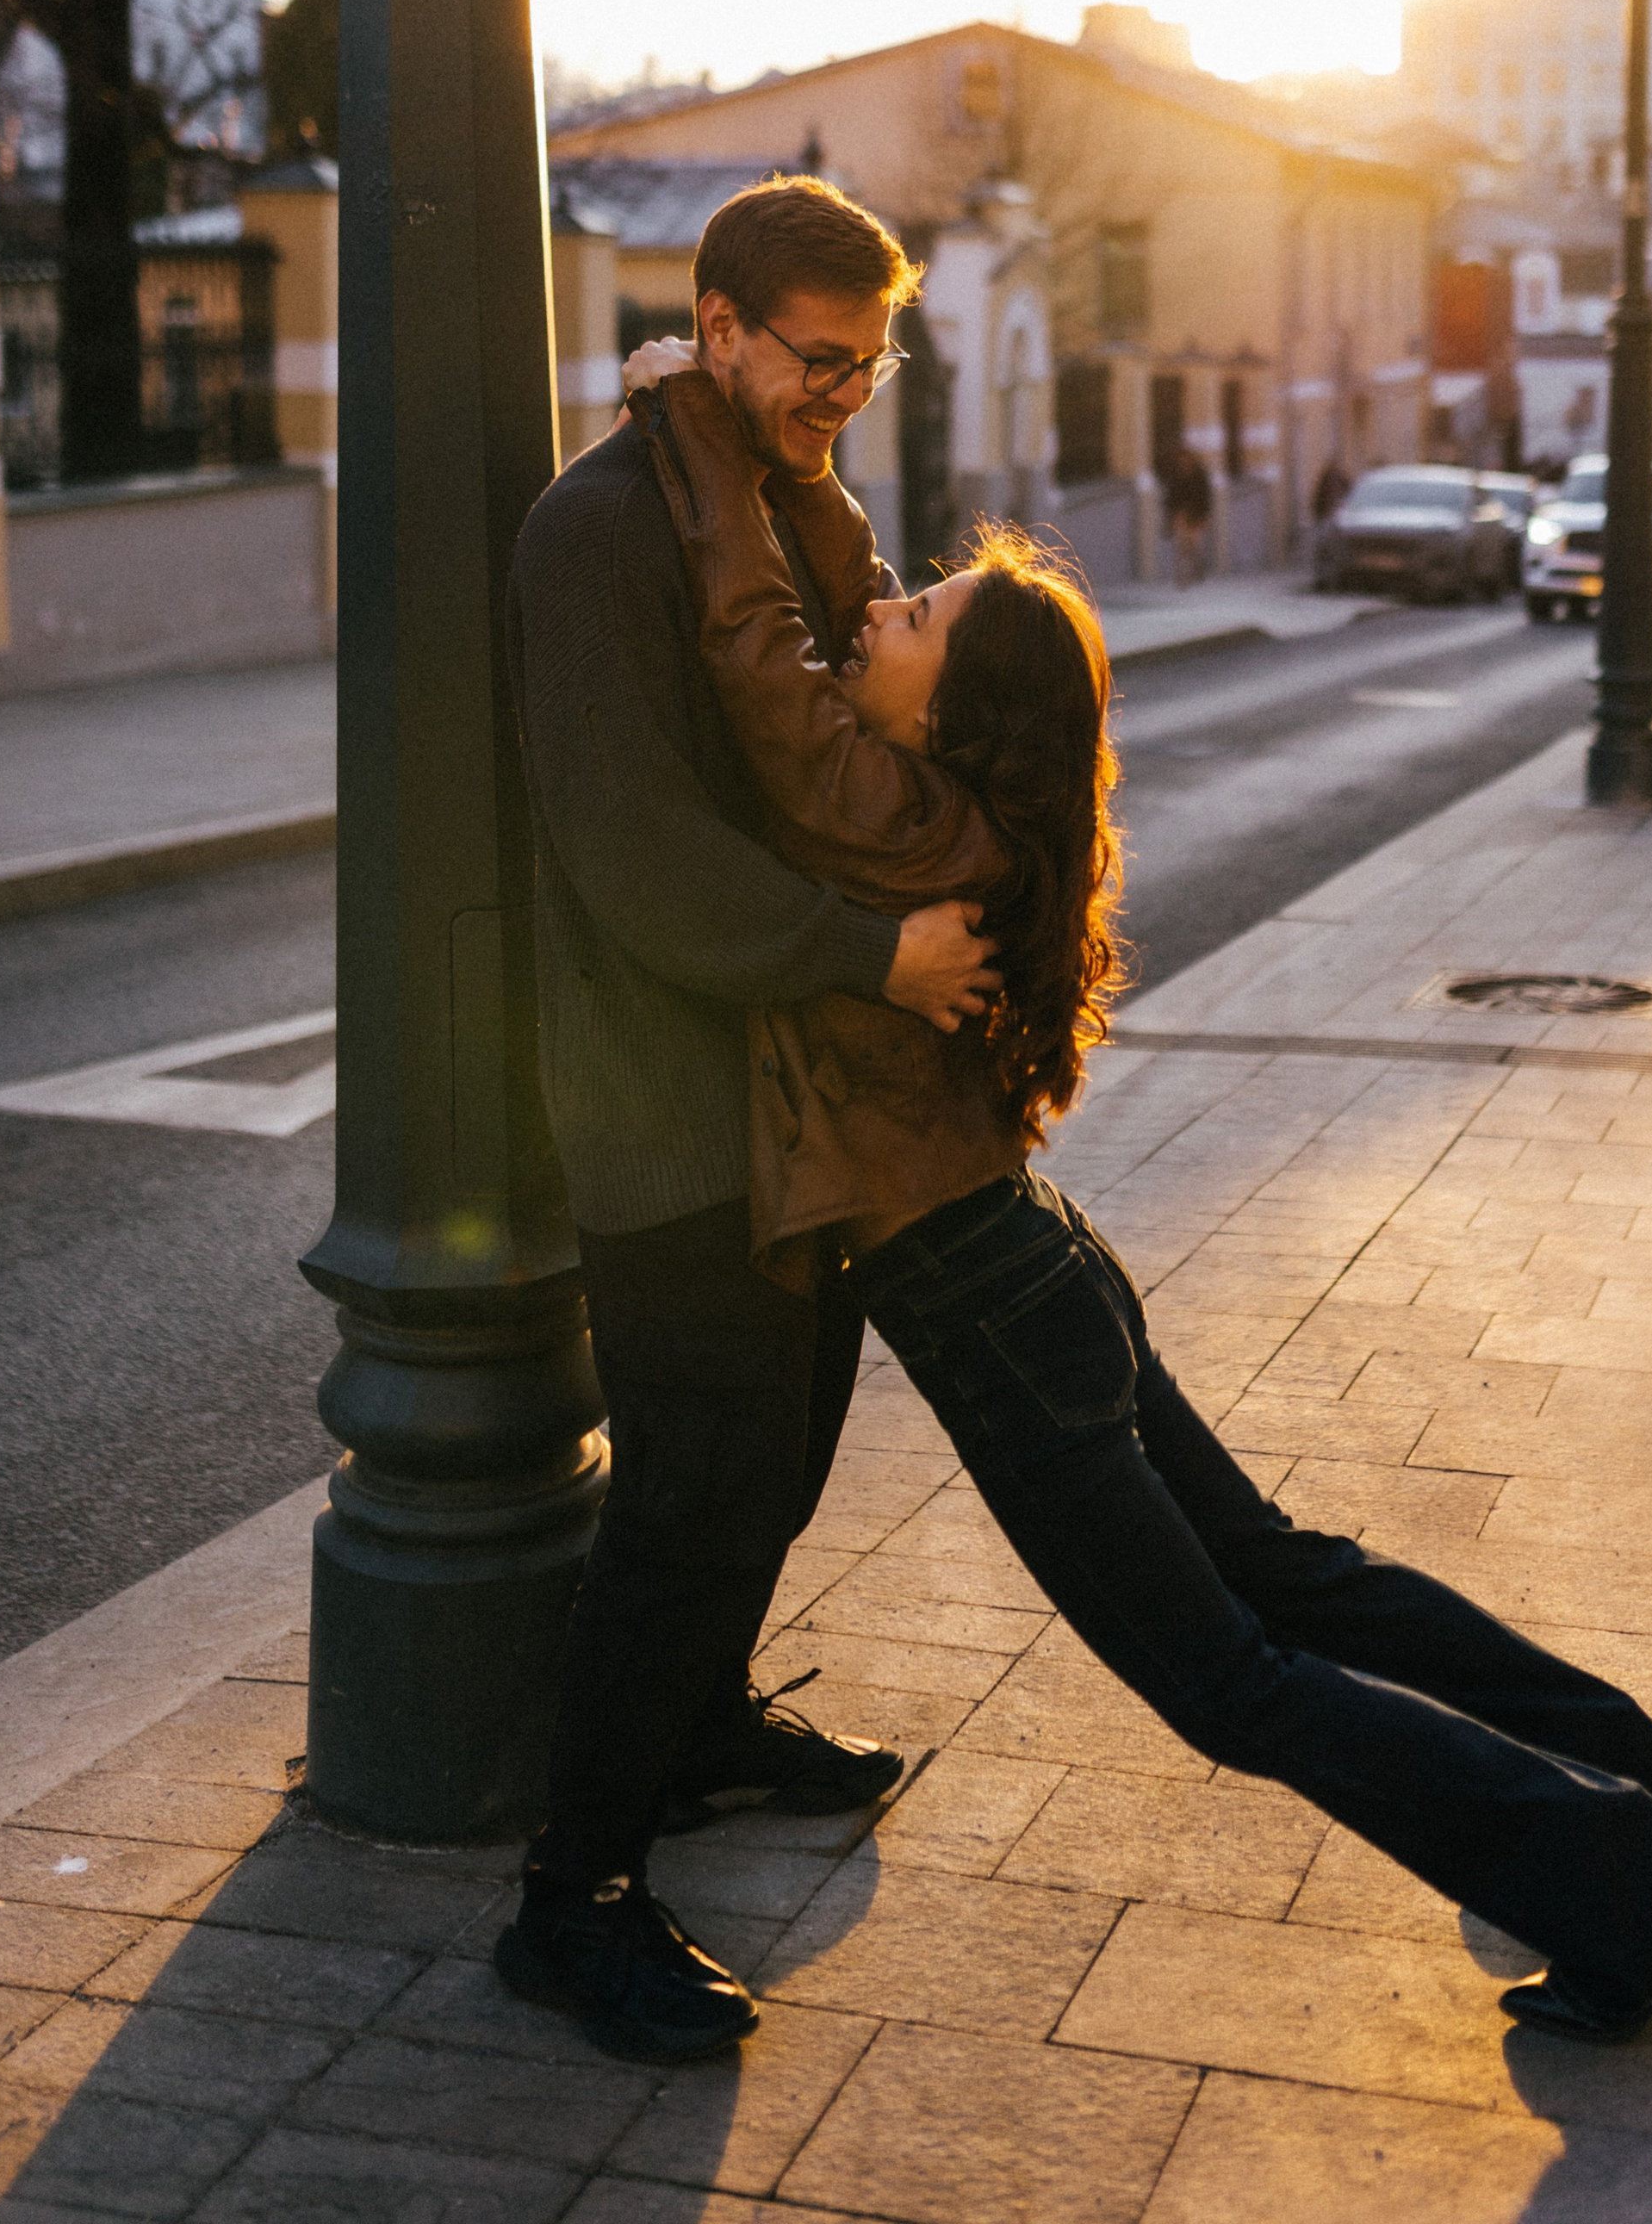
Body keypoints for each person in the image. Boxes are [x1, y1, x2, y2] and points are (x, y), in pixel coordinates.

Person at [573, 352, 1652, 2060]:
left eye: (913, 619)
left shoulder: (886, 814)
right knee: (1295, 1578)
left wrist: (701, 421)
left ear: (937, 712)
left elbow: (764, 656)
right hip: (1041, 1263)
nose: (875, 615)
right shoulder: (955, 815)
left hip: (991, 1302)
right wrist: (792, 456)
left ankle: (1632, 1888)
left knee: (1228, 1681)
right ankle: (1623, 1762)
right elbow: (823, 610)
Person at [497, 178, 1003, 2065]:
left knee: (789, 1437)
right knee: (694, 1483)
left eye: (867, 365)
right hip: (663, 1085)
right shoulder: (595, 531)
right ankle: (573, 1899)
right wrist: (863, 954)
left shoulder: (798, 502)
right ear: (712, 327)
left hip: (795, 1089)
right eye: (812, 359)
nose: (842, 395)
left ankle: (701, 1724)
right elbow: (631, 852)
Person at [1164, 444, 1213, 586]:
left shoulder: (1199, 475)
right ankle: (1182, 578)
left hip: (1195, 516)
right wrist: (1170, 516)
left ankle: (1198, 567)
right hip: (1181, 515)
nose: (1183, 461)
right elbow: (1171, 497)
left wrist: (1205, 516)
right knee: (1181, 547)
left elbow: (1205, 497)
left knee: (1194, 545)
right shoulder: (1175, 475)